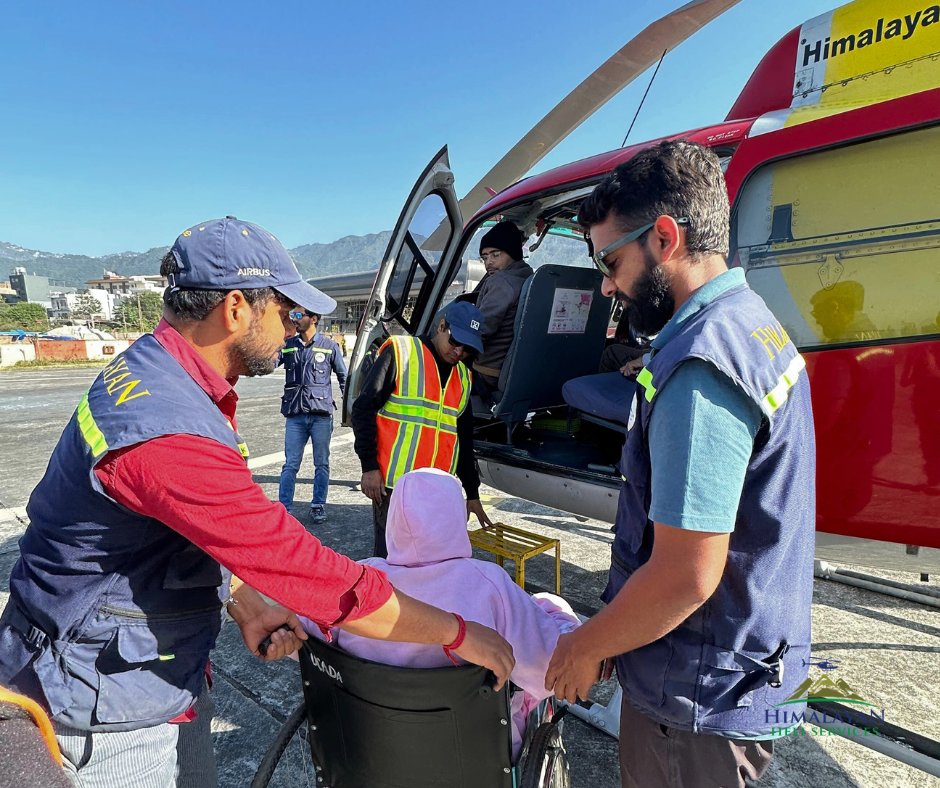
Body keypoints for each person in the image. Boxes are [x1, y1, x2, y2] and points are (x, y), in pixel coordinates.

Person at [0, 216, 514, 787]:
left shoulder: (159, 373)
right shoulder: (169, 429)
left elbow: (179, 524)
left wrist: (244, 599)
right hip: (104, 705)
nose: (293, 328)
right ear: (236, 308)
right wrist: (460, 633)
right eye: (286, 311)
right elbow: (314, 576)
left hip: (142, 667)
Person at [545, 142, 816, 788]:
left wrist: (587, 646)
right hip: (736, 674)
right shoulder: (749, 323)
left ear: (665, 238)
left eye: (611, 261)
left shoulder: (700, 368)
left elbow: (684, 574)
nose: (607, 285)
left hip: (694, 703)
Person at [299, 468, 579, 760]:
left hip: (369, 752)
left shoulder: (360, 581)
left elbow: (303, 638)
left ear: (394, 519)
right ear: (457, 518)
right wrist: (559, 612)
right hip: (474, 755)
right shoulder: (489, 584)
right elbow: (547, 668)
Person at [352, 300, 494, 558]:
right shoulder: (402, 353)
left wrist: (472, 492)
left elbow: (463, 439)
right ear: (441, 326)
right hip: (395, 487)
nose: (459, 352)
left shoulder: (463, 377)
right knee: (392, 559)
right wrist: (369, 467)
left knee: (429, 560)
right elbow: (363, 409)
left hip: (437, 490)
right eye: (455, 341)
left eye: (467, 349)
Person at [277, 307, 347, 523]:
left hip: (321, 415)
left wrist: (352, 409)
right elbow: (268, 363)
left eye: (299, 316)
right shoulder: (289, 345)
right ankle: (284, 508)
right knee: (290, 464)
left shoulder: (329, 346)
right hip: (295, 414)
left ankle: (318, 505)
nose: (294, 320)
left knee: (321, 463)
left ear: (314, 319)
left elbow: (344, 378)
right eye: (293, 316)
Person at [468, 220, 533, 397]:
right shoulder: (528, 277)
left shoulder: (502, 282)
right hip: (514, 370)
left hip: (486, 372)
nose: (488, 262)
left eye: (495, 255)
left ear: (512, 252)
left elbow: (480, 328)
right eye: (484, 258)